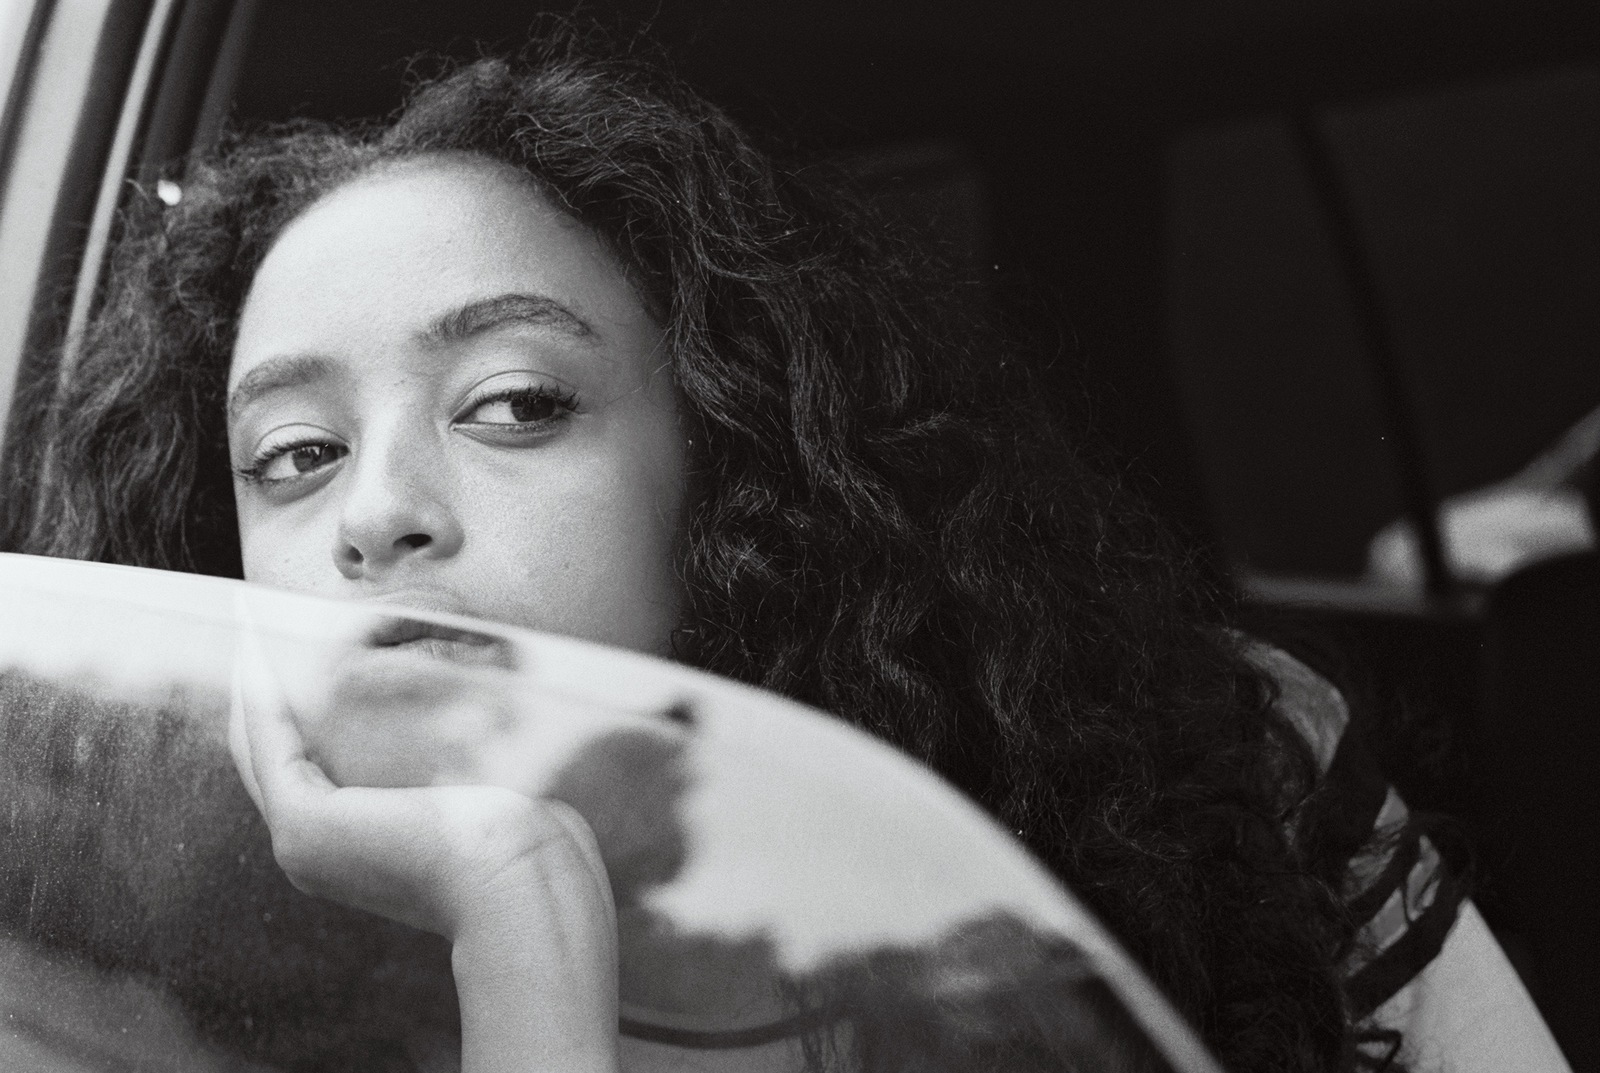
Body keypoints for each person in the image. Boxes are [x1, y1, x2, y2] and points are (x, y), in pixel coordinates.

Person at [0, 34, 1566, 1073]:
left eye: (518, 404)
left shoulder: (1225, 785)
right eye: (294, 458)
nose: (375, 509)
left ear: (728, 469)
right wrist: (517, 900)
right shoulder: (135, 994)